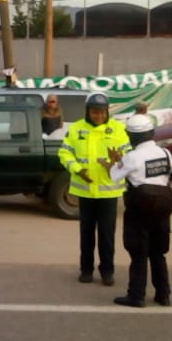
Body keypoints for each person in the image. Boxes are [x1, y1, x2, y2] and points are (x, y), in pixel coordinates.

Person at [99, 113, 172, 308]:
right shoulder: (165, 153)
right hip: (163, 209)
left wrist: (112, 164)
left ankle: (136, 296)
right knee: (158, 253)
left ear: (131, 136)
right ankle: (163, 294)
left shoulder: (132, 157)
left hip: (140, 209)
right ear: (151, 133)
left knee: (138, 253)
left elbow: (115, 176)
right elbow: (167, 174)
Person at [57, 93, 131, 286]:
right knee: (86, 234)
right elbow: (64, 153)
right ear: (88, 111)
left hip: (109, 192)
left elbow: (129, 154)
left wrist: (119, 159)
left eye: (101, 112)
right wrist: (78, 170)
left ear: (107, 111)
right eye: (94, 112)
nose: (98, 115)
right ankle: (86, 270)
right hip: (85, 192)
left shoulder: (117, 129)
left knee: (107, 235)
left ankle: (107, 272)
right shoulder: (76, 128)